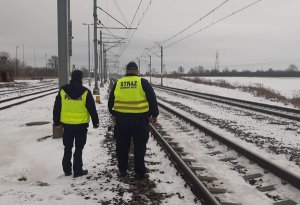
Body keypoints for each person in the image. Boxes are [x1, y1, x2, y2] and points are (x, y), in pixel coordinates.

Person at [108, 61, 159, 180]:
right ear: (137, 71)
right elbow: (152, 99)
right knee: (140, 146)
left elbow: (111, 103)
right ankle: (139, 172)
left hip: (121, 120)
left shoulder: (118, 83)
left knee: (122, 145)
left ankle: (122, 170)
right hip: (140, 120)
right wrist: (154, 115)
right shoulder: (143, 82)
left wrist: (114, 114)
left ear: (126, 71)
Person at [53, 70, 99, 178]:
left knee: (67, 147)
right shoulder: (85, 92)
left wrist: (56, 121)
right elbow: (92, 108)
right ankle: (77, 171)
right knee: (79, 148)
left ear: (71, 78)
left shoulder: (63, 90)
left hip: (67, 125)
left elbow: (57, 107)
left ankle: (67, 170)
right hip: (81, 125)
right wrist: (95, 122)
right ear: (81, 78)